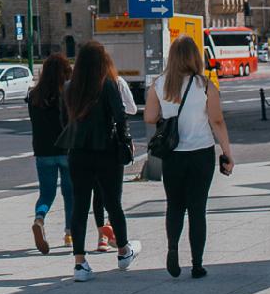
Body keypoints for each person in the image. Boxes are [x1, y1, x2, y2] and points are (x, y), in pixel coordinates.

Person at [145, 35, 234, 279]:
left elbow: (149, 117)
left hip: (173, 155)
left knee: (174, 205)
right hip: (201, 154)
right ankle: (197, 264)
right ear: (195, 57)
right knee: (197, 209)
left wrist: (168, 115)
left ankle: (173, 248)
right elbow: (217, 121)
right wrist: (227, 153)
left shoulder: (160, 83)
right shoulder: (204, 85)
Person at [63, 42, 139, 281]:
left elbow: (64, 119)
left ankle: (79, 263)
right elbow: (121, 116)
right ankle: (123, 251)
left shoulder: (68, 88)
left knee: (80, 205)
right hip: (106, 150)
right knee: (113, 202)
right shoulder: (106, 84)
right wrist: (126, 140)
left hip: (77, 153)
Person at [26, 53, 110, 254]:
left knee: (46, 193)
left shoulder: (33, 96)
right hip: (66, 149)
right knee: (70, 193)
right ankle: (69, 233)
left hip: (42, 151)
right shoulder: (67, 93)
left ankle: (39, 219)